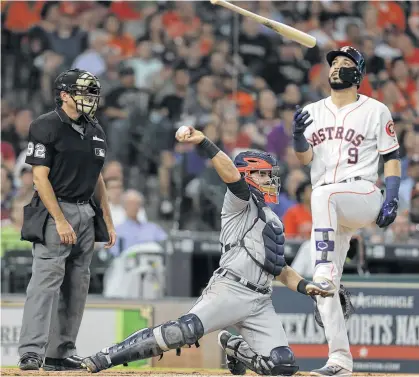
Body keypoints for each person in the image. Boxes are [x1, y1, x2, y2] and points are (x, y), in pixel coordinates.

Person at [81, 127, 334, 375]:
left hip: (260, 300)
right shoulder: (239, 202)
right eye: (262, 174)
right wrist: (204, 142)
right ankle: (105, 357)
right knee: (182, 332)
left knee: (282, 365)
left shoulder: (274, 219)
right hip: (230, 288)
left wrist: (307, 287)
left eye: (270, 175)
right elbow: (231, 174)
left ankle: (235, 347)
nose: (269, 180)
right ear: (247, 175)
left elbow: (280, 268)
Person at [292, 46, 401, 376]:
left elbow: (391, 158)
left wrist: (392, 195)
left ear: (359, 73)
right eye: (334, 63)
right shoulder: (313, 111)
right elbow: (305, 160)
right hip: (330, 208)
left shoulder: (376, 110)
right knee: (323, 288)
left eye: (345, 63)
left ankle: (324, 270)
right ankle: (339, 360)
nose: (337, 67)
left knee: (323, 195)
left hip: (363, 192)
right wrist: (298, 138)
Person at [18, 69, 117, 371]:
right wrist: (59, 220)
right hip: (56, 208)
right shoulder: (46, 125)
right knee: (45, 283)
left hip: (86, 211)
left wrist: (108, 219)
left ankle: (61, 351)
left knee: (77, 285)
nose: (90, 99)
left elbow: (97, 177)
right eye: (84, 92)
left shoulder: (95, 128)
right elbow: (39, 177)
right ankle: (32, 351)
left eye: (92, 93)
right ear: (64, 95)